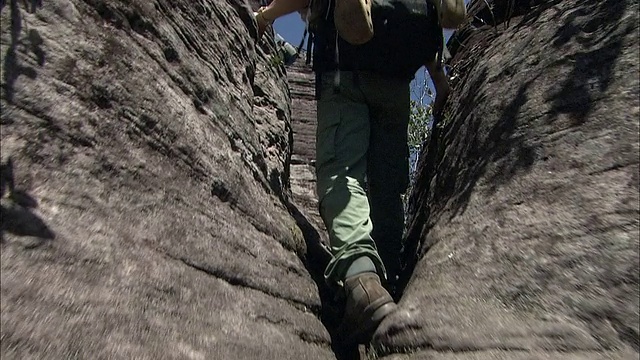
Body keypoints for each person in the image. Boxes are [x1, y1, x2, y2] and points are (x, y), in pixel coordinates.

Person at [255, 0, 450, 344]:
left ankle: (362, 283)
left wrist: (265, 17)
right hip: (396, 82)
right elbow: (427, 19)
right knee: (387, 188)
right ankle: (388, 285)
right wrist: (439, 81)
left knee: (342, 173)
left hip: (347, 71)